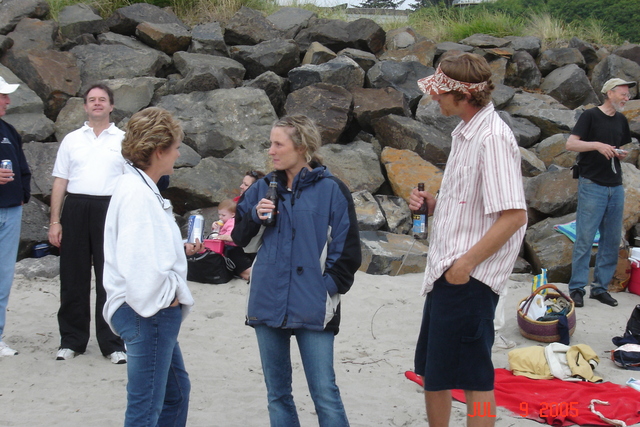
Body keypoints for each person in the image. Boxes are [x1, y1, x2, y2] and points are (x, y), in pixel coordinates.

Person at [411, 52, 527, 427]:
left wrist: (466, 265)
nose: (434, 98)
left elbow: (514, 215)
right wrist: (435, 204)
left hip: (467, 277)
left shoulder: (492, 138)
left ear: (464, 95)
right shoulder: (466, 131)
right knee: (434, 371)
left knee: (476, 378)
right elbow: (474, 204)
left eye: (440, 93)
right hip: (449, 272)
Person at [232, 115, 361, 427]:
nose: (271, 150)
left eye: (278, 144)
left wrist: (324, 288)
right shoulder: (262, 187)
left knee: (324, 393)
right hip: (267, 300)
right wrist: (254, 214)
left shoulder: (332, 190)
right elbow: (238, 239)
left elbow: (349, 252)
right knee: (277, 394)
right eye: (270, 143)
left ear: (301, 147)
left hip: (314, 304)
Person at [103, 107, 196, 427]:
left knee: (176, 393)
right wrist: (164, 298)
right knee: (145, 409)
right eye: (175, 147)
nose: (178, 153)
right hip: (149, 312)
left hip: (151, 311)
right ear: (159, 151)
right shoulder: (136, 194)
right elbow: (137, 262)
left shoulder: (140, 188)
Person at [48, 83, 127, 363]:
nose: (96, 104)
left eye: (102, 100)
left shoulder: (123, 139)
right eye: (91, 100)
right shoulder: (72, 139)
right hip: (76, 207)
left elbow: (131, 182)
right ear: (84, 106)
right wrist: (55, 221)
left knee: (111, 278)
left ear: (111, 106)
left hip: (109, 208)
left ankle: (113, 343)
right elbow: (60, 180)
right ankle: (72, 341)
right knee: (73, 277)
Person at [566, 78, 635, 308]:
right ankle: (576, 288)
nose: (627, 98)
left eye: (628, 95)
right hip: (592, 184)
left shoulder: (621, 120)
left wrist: (618, 153)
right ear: (610, 93)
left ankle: (600, 288)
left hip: (615, 186)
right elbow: (571, 144)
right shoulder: (590, 116)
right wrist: (597, 145)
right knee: (585, 238)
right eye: (623, 94)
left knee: (611, 239)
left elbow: (617, 147)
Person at [0, 76, 31, 357]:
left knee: (3, 277)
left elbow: (22, 167)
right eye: (3, 95)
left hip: (11, 211)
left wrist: (24, 193)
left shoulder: (8, 130)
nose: (8, 101)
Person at [211, 199, 252, 281]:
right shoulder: (225, 222)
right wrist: (214, 227)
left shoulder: (232, 222)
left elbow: (230, 235)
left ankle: (250, 276)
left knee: (242, 267)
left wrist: (220, 236)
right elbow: (216, 232)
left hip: (234, 248)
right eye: (219, 215)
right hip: (228, 248)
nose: (220, 217)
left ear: (232, 214)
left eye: (223, 215)